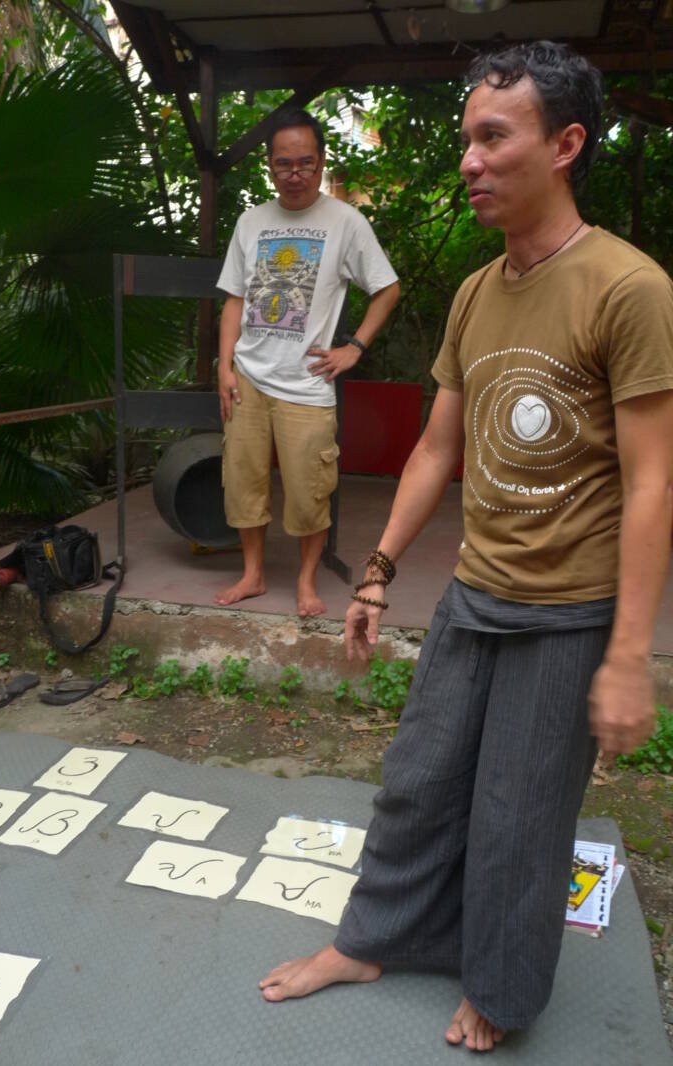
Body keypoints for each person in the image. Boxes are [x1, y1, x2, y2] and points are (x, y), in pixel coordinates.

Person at [258, 41, 673, 1050]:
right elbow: (437, 445)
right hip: (474, 594)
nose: (468, 162)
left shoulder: (628, 288)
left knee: (517, 817)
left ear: (565, 143)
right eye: (465, 141)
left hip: (566, 615)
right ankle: (373, 938)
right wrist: (379, 568)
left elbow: (654, 477)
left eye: (494, 138)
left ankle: (500, 986)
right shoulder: (479, 293)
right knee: (420, 778)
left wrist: (627, 654)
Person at [214, 109, 400, 617]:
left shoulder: (345, 222)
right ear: (269, 167)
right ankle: (252, 575)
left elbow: (387, 288)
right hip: (248, 379)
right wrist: (224, 364)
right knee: (244, 481)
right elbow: (233, 298)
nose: (294, 174)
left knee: (308, 491)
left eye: (305, 163)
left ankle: (305, 581)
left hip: (306, 383)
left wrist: (354, 347)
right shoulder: (252, 222)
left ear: (321, 164)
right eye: (283, 165)